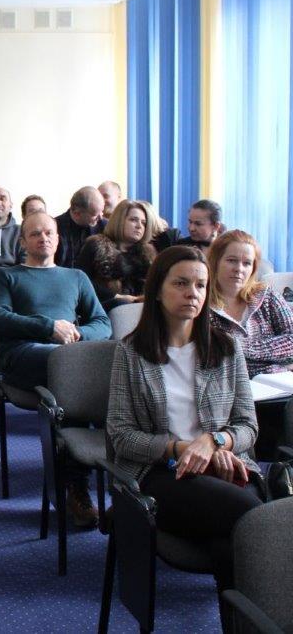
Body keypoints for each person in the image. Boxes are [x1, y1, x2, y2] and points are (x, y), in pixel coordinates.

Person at [107, 245, 262, 617]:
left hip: (228, 467)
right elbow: (121, 435)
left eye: (200, 285)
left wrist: (215, 442)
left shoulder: (227, 348)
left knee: (227, 542)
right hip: (162, 473)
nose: (193, 293)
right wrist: (181, 448)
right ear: (158, 290)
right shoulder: (130, 352)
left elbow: (248, 426)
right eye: (181, 283)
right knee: (254, 518)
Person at [0, 211, 111, 526]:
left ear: (58, 239)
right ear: (22, 242)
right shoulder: (7, 276)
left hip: (68, 358)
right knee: (73, 372)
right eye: (35, 234)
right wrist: (49, 327)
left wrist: (77, 334)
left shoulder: (76, 277)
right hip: (22, 356)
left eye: (49, 233)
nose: (43, 238)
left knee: (100, 368)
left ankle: (87, 479)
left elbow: (103, 323)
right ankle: (77, 485)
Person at [208, 230, 293, 377]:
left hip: (279, 384)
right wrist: (277, 359)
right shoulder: (201, 304)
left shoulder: (267, 296)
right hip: (230, 386)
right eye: (231, 260)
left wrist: (241, 346)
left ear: (253, 268)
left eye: (247, 263)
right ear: (215, 262)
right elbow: (211, 358)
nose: (239, 269)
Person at [74, 199, 155, 312]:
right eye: (133, 220)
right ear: (119, 221)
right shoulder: (96, 245)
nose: (139, 226)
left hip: (140, 308)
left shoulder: (148, 254)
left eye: (143, 223)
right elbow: (80, 281)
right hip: (102, 307)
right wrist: (116, 296)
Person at [54, 186, 106, 269]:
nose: (101, 217)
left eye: (102, 211)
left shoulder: (105, 227)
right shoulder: (54, 228)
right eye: (95, 214)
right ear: (77, 213)